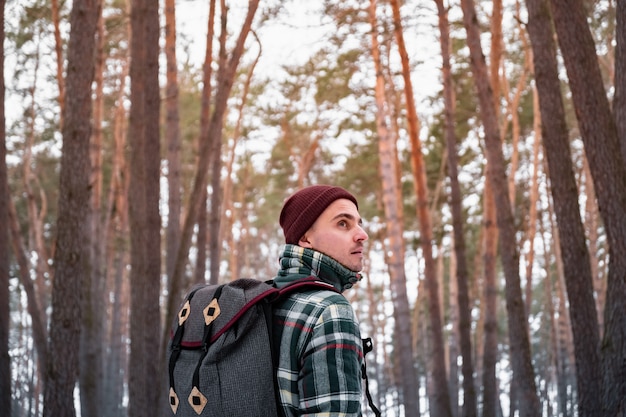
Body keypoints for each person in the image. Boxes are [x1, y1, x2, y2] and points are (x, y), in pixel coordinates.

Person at [272, 184, 369, 417]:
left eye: (359, 223)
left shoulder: (269, 301)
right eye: (343, 223)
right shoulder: (330, 310)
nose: (362, 235)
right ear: (305, 238)